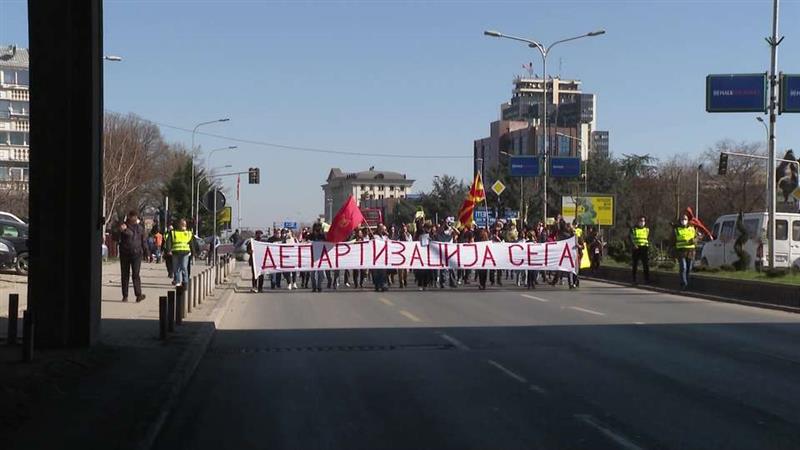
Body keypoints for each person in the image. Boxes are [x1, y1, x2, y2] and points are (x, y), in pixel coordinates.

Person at [116, 211, 149, 302]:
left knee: (136, 274)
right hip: (125, 253)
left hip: (137, 254)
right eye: (132, 217)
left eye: (135, 217)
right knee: (125, 274)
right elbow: (115, 237)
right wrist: (120, 230)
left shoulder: (140, 228)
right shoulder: (123, 226)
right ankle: (125, 296)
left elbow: (144, 241)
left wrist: (147, 252)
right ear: (129, 217)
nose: (134, 219)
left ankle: (138, 295)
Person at [164, 218, 193, 289]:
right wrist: (169, 250)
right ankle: (177, 282)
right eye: (182, 224)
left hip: (185, 252)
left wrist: (193, 252)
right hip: (175, 252)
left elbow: (192, 243)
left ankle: (185, 282)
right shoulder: (173, 232)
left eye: (184, 224)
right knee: (176, 268)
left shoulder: (189, 233)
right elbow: (169, 241)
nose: (183, 225)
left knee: (184, 267)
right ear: (179, 224)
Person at [673, 213, 698, 290]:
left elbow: (696, 238)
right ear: (680, 221)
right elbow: (672, 240)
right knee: (683, 267)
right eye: (682, 219)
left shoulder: (692, 228)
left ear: (688, 220)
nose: (684, 221)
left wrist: (694, 240)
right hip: (681, 251)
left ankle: (686, 282)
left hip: (690, 251)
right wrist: (672, 251)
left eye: (685, 219)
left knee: (688, 268)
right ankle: (684, 283)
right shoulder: (676, 230)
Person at [630, 216, 650, 283]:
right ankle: (634, 279)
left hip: (644, 248)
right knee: (635, 264)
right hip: (636, 248)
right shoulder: (634, 229)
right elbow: (630, 238)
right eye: (641, 220)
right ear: (638, 221)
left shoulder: (647, 229)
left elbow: (648, 238)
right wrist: (634, 245)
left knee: (646, 264)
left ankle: (646, 279)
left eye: (643, 221)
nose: (642, 222)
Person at [309, 223, 326, 292]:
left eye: (318, 228)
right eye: (316, 228)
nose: (317, 230)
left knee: (321, 274)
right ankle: (314, 286)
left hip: (320, 257)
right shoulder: (310, 236)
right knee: (312, 274)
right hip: (312, 257)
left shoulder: (322, 236)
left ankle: (319, 286)